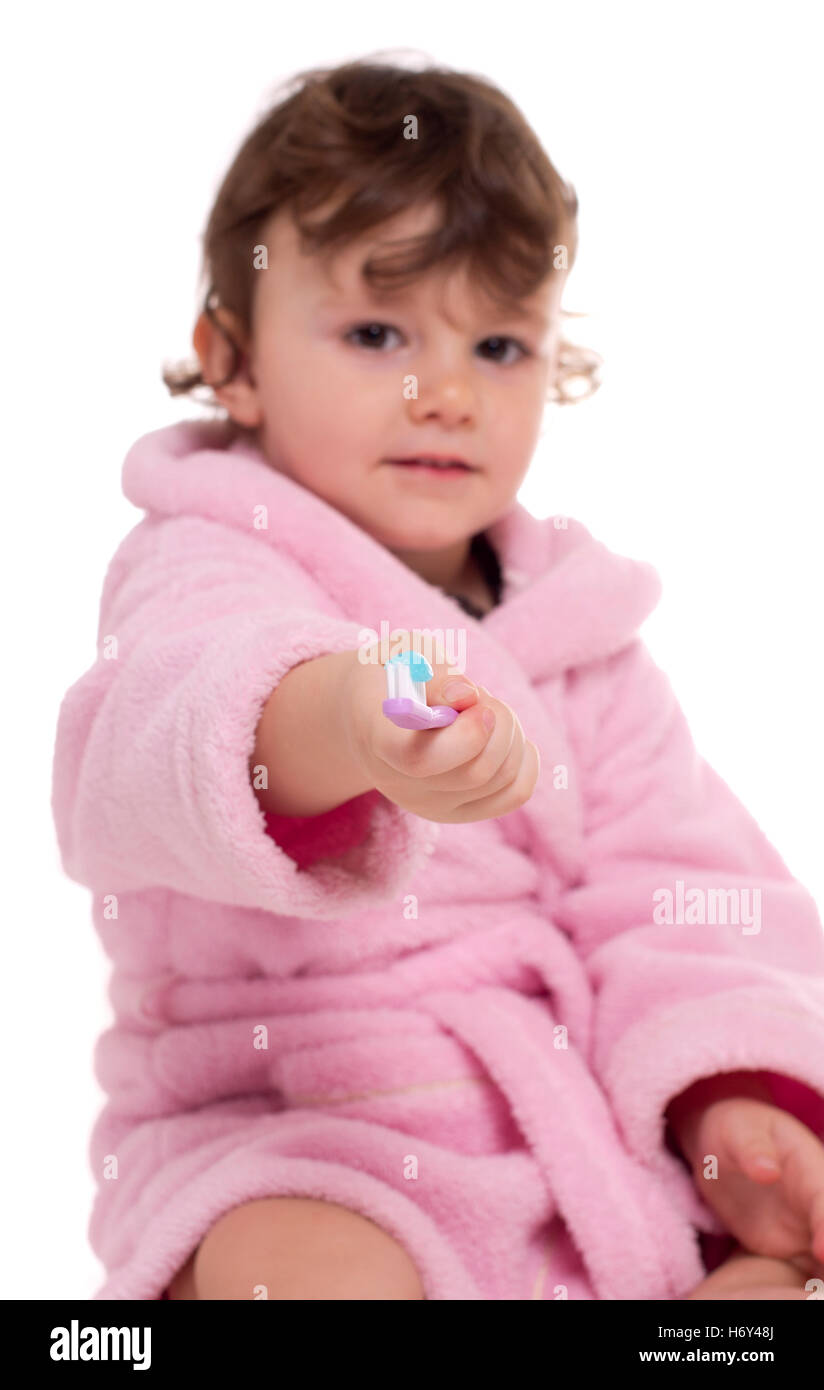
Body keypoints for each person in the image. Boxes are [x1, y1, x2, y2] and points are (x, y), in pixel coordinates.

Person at [51, 56, 824, 1301]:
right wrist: (342, 718)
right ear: (231, 357)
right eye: (375, 332)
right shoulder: (206, 556)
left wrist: (726, 1098)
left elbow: (674, 889)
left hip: (562, 1146)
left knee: (777, 1276)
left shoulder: (581, 632)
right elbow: (158, 734)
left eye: (501, 343)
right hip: (295, 1131)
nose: (446, 393)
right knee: (302, 1274)